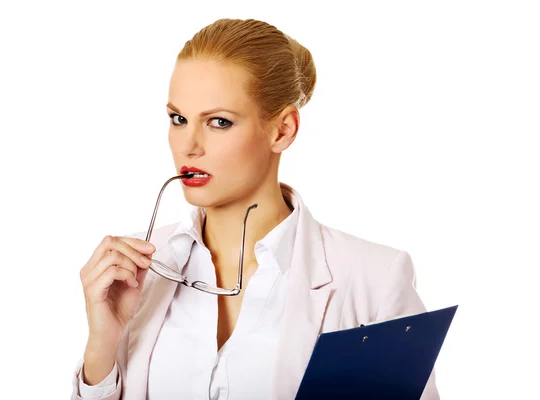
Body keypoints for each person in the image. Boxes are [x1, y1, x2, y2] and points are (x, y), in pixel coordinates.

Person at [70, 18, 440, 400]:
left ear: (282, 131)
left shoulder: (372, 280)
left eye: (218, 122)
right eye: (178, 119)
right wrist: (103, 341)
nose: (189, 146)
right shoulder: (135, 271)